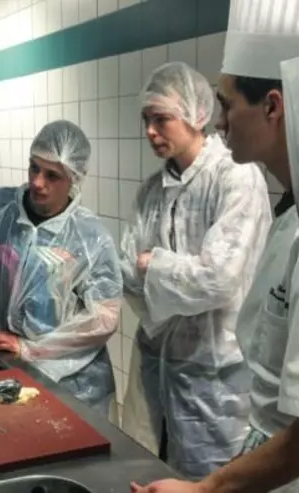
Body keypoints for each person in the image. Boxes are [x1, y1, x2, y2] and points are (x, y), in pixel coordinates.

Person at [130, 1, 299, 492]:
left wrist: (206, 489)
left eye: (227, 104)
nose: (218, 122)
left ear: (273, 106)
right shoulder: (293, 216)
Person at [119, 62, 271, 480]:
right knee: (155, 471)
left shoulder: (236, 178)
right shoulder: (150, 192)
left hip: (216, 379)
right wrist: (160, 277)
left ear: (196, 115)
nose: (150, 130)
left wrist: (157, 266)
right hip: (158, 367)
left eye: (161, 119)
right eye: (146, 119)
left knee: (213, 480)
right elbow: (128, 273)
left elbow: (218, 279)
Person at [0, 120, 122, 416]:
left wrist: (33, 348)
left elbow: (104, 317)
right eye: (34, 168)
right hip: (4, 360)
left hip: (73, 382)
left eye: (52, 175)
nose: (37, 182)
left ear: (74, 178)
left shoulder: (89, 237)